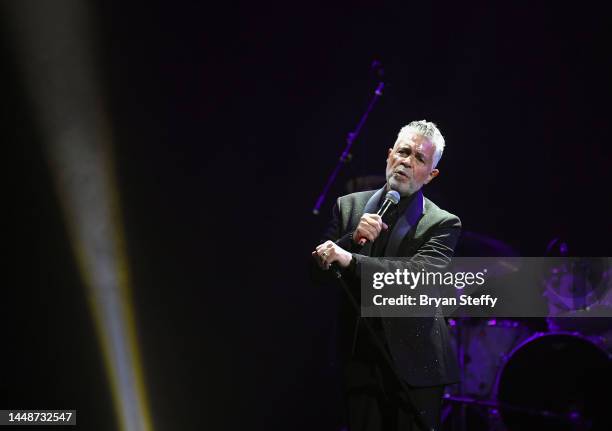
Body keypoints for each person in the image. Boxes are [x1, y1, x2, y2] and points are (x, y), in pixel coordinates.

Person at [312, 120, 460, 431]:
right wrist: (351, 240)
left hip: (415, 366)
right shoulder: (348, 206)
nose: (407, 161)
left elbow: (416, 279)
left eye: (419, 158)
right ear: (389, 155)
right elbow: (315, 276)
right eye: (403, 152)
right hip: (360, 359)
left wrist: (351, 259)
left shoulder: (442, 223)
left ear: (431, 175)